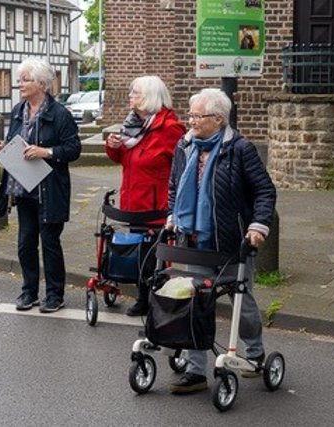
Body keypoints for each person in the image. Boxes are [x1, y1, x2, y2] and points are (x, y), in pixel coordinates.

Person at [165, 88, 276, 394]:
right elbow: (174, 185)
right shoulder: (184, 146)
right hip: (193, 240)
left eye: (196, 116)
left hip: (229, 243)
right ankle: (196, 371)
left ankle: (254, 353)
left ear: (218, 119)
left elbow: (265, 191)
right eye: (189, 114)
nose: (190, 121)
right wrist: (173, 216)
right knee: (196, 302)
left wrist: (257, 226)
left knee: (243, 303)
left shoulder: (239, 148)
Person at [0, 58, 81, 313]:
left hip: (49, 189)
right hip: (22, 187)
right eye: (20, 79)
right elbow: (15, 143)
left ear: (41, 83)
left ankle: (54, 294)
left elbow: (74, 149)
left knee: (50, 242)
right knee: (25, 242)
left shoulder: (60, 114)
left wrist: (47, 151)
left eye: (26, 79)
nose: (20, 84)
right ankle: (28, 291)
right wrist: (3, 148)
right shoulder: (19, 110)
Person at [104, 75, 185, 316]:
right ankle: (143, 296)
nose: (130, 97)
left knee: (153, 254)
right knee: (139, 252)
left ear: (150, 97)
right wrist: (113, 147)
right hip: (133, 199)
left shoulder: (169, 128)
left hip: (155, 204)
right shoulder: (132, 124)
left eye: (135, 93)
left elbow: (182, 166)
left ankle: (153, 299)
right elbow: (126, 160)